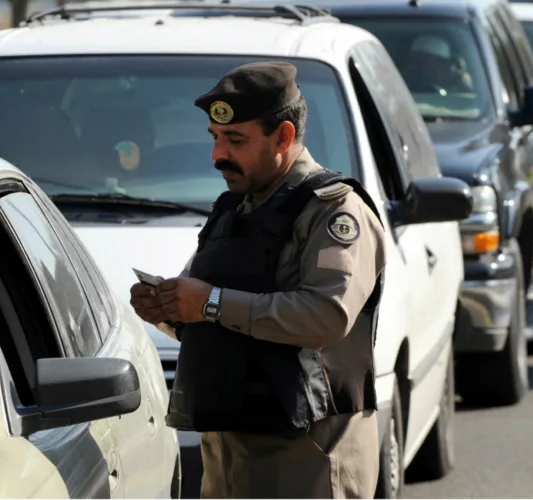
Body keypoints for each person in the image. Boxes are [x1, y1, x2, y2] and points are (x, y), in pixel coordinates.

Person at [129, 61, 387, 498]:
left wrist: (209, 302)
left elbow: (326, 315)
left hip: (306, 462)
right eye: (215, 138)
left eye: (235, 139)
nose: (217, 155)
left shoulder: (334, 211)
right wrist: (169, 308)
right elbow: (213, 310)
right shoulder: (234, 208)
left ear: (284, 136)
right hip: (230, 456)